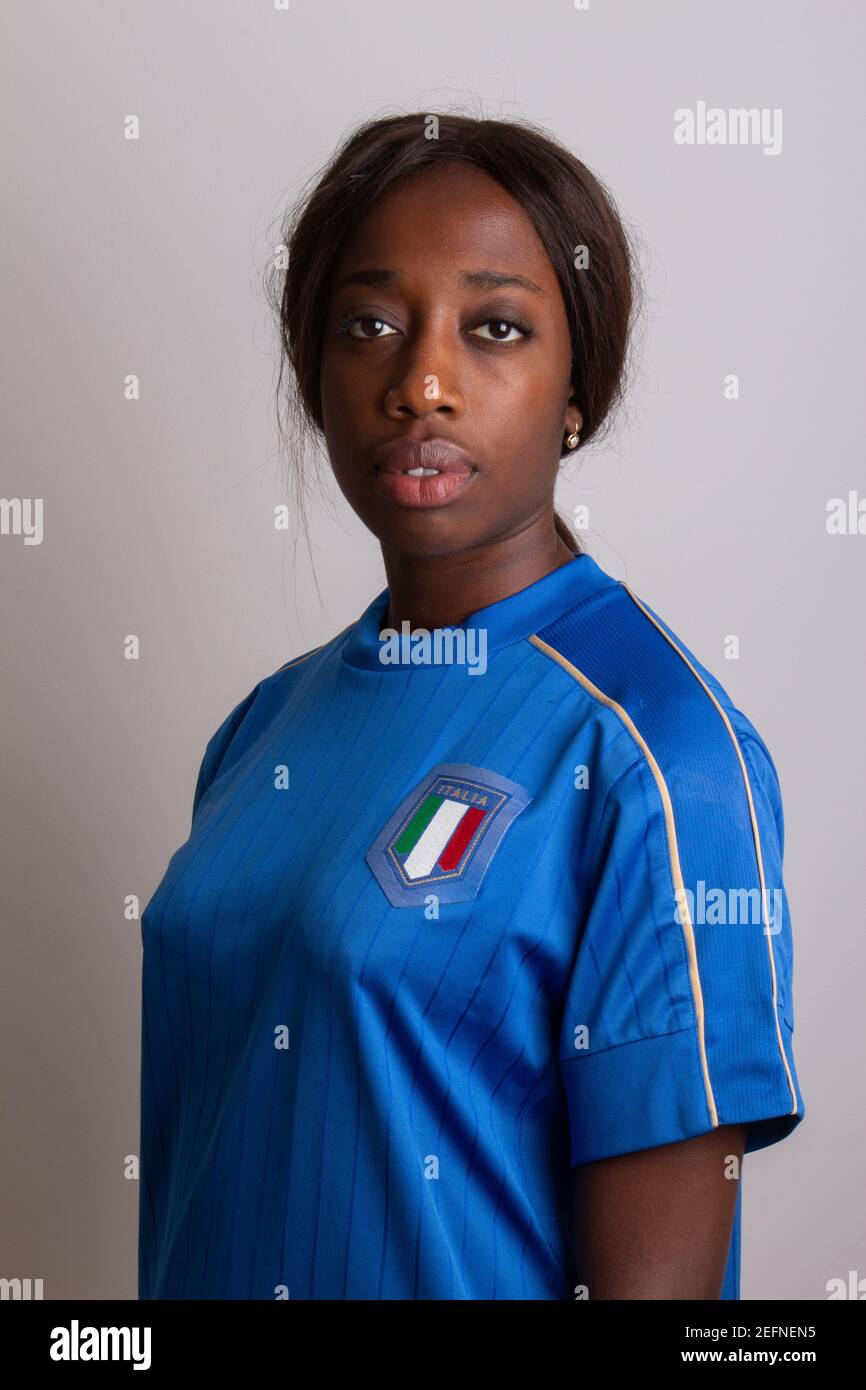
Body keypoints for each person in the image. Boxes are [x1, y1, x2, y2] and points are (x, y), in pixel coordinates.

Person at [137, 113, 805, 1300]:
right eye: (370, 325)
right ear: (314, 373)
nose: (421, 383)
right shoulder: (260, 732)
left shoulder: (656, 750)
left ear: (575, 390)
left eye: (494, 328)